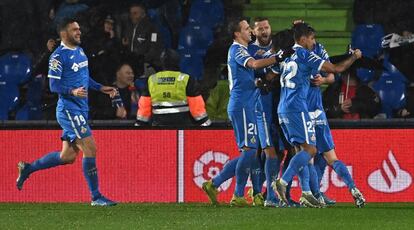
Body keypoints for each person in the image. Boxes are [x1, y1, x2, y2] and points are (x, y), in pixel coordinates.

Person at [16, 18, 117, 206]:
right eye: (74, 30)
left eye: (79, 29)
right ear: (64, 34)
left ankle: (28, 169)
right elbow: (53, 85)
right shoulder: (57, 57)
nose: (79, 32)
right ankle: (96, 197)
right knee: (90, 147)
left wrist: (100, 87)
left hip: (80, 108)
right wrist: (72, 92)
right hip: (68, 109)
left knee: (67, 157)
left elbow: (84, 77)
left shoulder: (80, 51)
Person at [272, 23, 363, 208]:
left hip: (283, 108)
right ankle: (282, 182)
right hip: (298, 107)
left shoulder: (287, 54)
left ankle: (306, 193)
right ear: (303, 39)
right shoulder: (306, 54)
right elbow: (335, 70)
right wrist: (353, 57)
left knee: (301, 150)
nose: (314, 42)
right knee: (311, 150)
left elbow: (272, 75)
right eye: (312, 38)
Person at [202, 17, 283, 206]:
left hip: (247, 104)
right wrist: (278, 57)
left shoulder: (242, 50)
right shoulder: (236, 49)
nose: (251, 32)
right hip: (242, 105)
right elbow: (254, 65)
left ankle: (215, 184)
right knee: (249, 151)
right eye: (247, 29)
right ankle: (237, 194)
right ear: (237, 34)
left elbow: (245, 78)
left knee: (249, 152)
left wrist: (257, 82)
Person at [135, 49, 211, 127]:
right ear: (178, 61)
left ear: (161, 62)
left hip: (159, 128)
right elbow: (196, 107)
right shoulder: (186, 79)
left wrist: (139, 124)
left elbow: (144, 107)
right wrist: (206, 124)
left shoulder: (152, 80)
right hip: (183, 127)